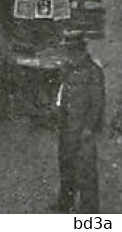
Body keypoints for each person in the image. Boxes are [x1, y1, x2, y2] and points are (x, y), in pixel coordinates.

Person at [56, 35, 106, 213]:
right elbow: (63, 96)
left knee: (86, 173)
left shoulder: (93, 71)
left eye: (70, 50)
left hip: (82, 130)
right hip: (67, 128)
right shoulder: (68, 69)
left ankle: (89, 211)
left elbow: (97, 104)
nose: (68, 54)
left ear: (80, 50)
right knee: (66, 167)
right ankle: (65, 205)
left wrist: (88, 129)